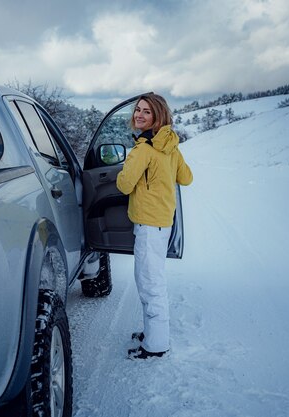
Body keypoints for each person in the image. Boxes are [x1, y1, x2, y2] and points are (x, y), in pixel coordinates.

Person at [116, 93, 193, 360]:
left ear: (158, 115)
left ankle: (156, 346)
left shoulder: (144, 148)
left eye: (146, 111)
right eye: (138, 110)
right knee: (151, 280)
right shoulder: (170, 144)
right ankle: (153, 333)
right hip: (163, 222)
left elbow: (124, 184)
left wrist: (131, 169)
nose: (139, 115)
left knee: (150, 284)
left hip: (149, 225)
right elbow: (186, 177)